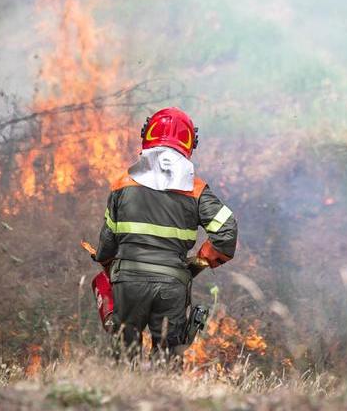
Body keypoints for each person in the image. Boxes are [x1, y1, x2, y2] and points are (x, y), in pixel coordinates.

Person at [92, 107, 238, 358]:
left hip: (128, 283)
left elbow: (107, 243)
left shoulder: (122, 185)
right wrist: (200, 261)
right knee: (168, 360)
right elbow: (227, 233)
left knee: (125, 357)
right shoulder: (196, 190)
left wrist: (107, 265)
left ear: (147, 135)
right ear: (190, 143)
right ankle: (165, 397)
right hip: (172, 287)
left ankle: (125, 396)